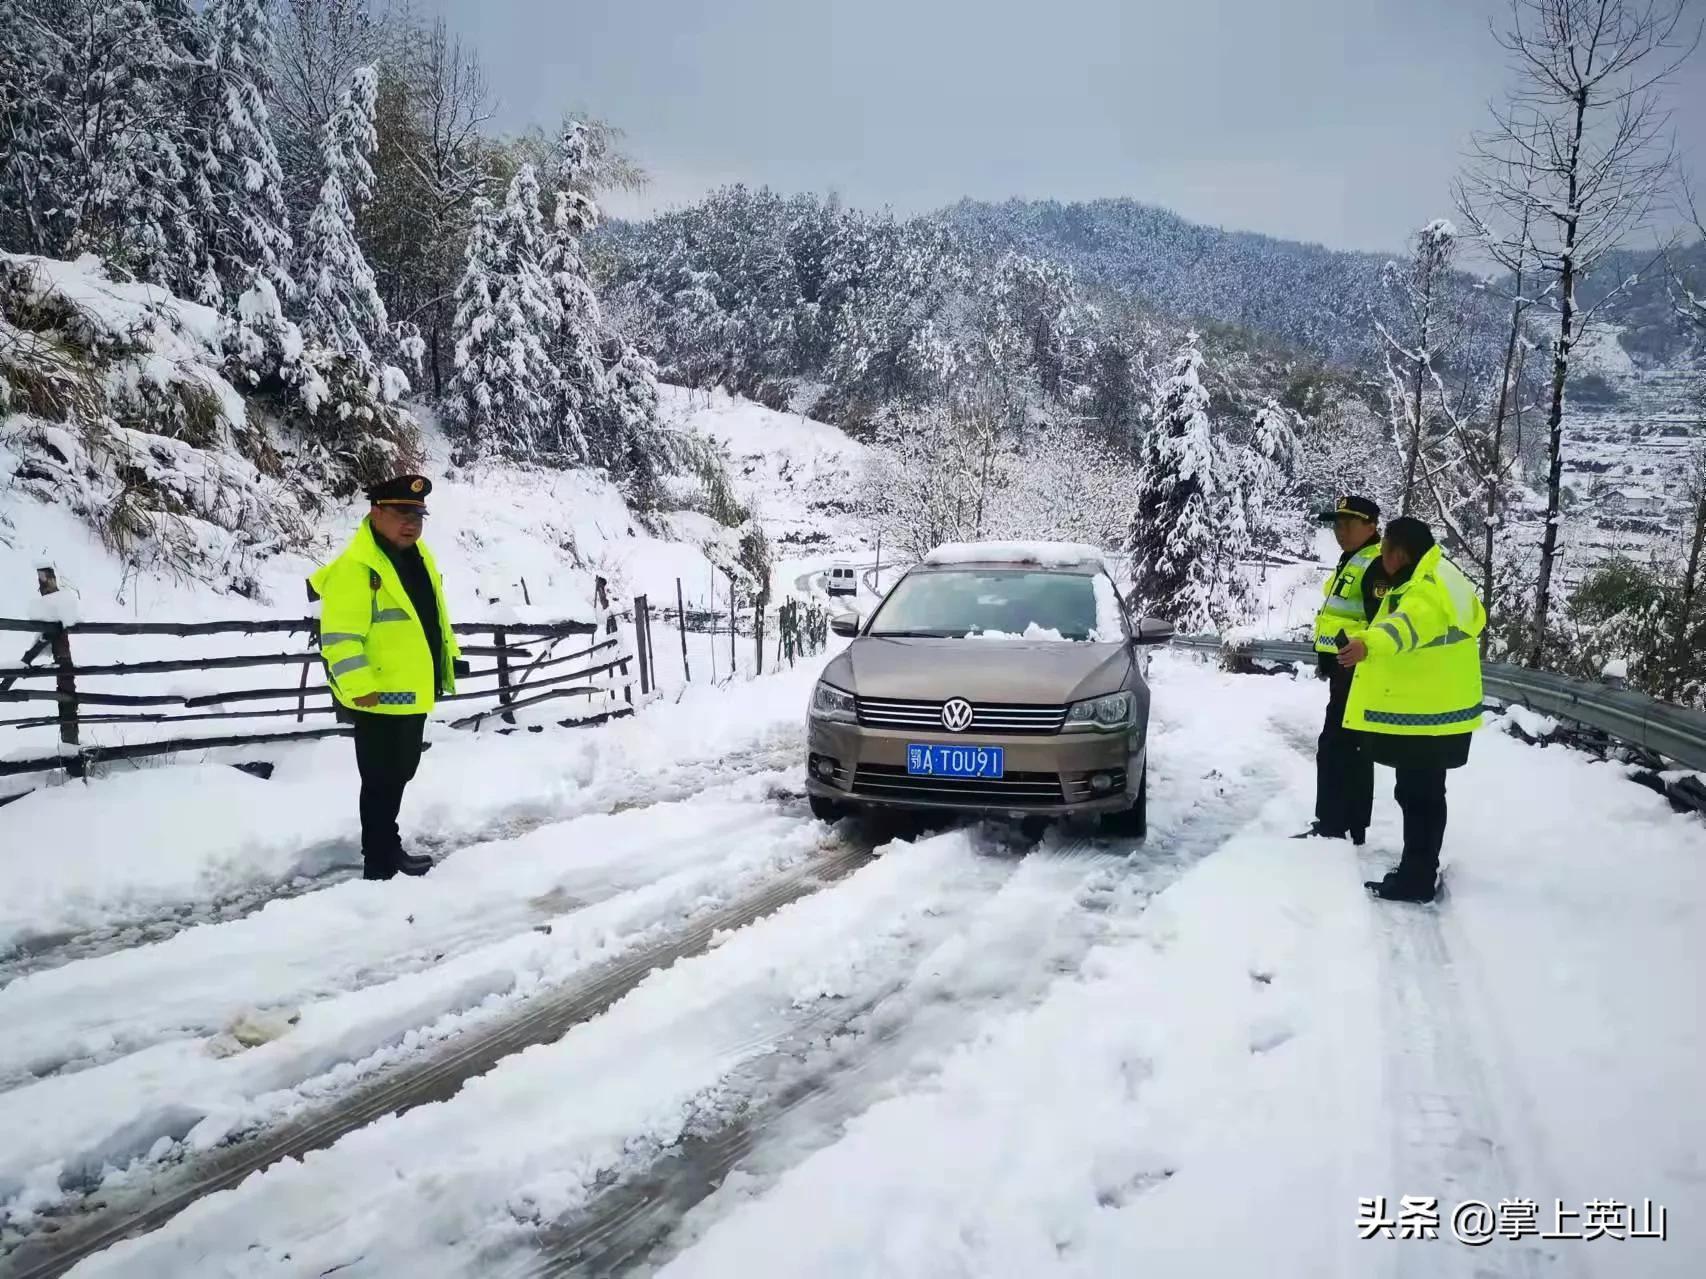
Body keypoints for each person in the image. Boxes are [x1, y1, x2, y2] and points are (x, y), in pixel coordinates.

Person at [310, 475, 463, 881]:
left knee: (400, 772)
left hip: (411, 691)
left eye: (417, 515)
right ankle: (379, 860)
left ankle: (385, 847)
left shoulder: (418, 557)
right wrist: (360, 690)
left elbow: (433, 621)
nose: (410, 523)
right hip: (377, 696)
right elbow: (340, 639)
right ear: (376, 512)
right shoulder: (355, 570)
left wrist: (451, 659)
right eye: (401, 513)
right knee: (380, 778)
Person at [1338, 516, 1486, 903]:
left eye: (1385, 550)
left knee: (1419, 796)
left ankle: (1416, 879)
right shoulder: (1443, 573)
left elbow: (1405, 627)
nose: (1381, 559)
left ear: (1398, 552)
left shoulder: (1426, 589)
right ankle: (1417, 869)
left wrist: (1366, 645)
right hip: (1438, 710)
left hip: (1427, 715)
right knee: (1424, 794)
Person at [1295, 494, 1389, 846]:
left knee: (1337, 747)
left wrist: (1352, 655)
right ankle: (1350, 823)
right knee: (1351, 747)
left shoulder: (1374, 563)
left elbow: (1380, 621)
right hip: (1344, 668)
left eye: (1348, 523)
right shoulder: (1353, 559)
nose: (1340, 530)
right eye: (1337, 523)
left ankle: (1334, 825)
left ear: (1370, 525)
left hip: (1357, 671)